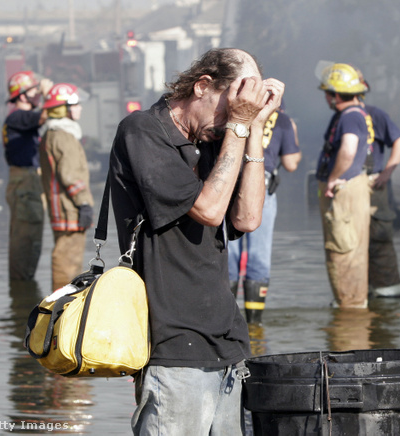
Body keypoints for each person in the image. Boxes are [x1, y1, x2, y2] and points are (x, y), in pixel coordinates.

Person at [108, 48, 283, 435]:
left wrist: (252, 128)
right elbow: (208, 208)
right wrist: (238, 124)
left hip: (228, 343)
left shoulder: (220, 139)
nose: (226, 124)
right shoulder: (143, 130)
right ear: (202, 86)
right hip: (172, 347)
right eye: (227, 108)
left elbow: (248, 217)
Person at [228, 103, 301, 324]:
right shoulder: (283, 121)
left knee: (229, 251)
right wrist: (293, 134)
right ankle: (255, 323)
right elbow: (290, 163)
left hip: (229, 186)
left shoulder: (235, 113)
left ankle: (227, 319)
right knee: (258, 253)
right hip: (262, 188)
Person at [316, 62, 372, 309]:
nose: (326, 97)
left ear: (336, 94)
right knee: (349, 251)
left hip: (344, 192)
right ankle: (352, 308)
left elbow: (348, 150)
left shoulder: (349, 118)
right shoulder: (355, 114)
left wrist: (332, 179)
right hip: (351, 190)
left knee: (343, 253)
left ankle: (349, 317)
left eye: (328, 92)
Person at [357, 74, 400, 298]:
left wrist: (387, 171)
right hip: (352, 187)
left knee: (379, 237)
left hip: (372, 185)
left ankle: (388, 294)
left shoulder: (374, 115)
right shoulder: (343, 117)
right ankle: (363, 290)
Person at [39, 83, 94, 292]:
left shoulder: (52, 134)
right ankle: (61, 310)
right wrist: (84, 204)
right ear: (65, 109)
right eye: (76, 104)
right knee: (68, 263)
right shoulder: (64, 136)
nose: (80, 108)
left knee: (67, 258)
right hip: (69, 209)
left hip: (61, 208)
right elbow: (70, 175)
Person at [2, 71, 52, 280]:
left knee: (28, 239)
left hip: (26, 181)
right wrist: (50, 95)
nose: (38, 95)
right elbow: (45, 115)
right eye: (34, 91)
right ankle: (22, 299)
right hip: (26, 182)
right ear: (22, 96)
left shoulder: (20, 119)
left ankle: (22, 296)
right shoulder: (18, 116)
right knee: (26, 241)